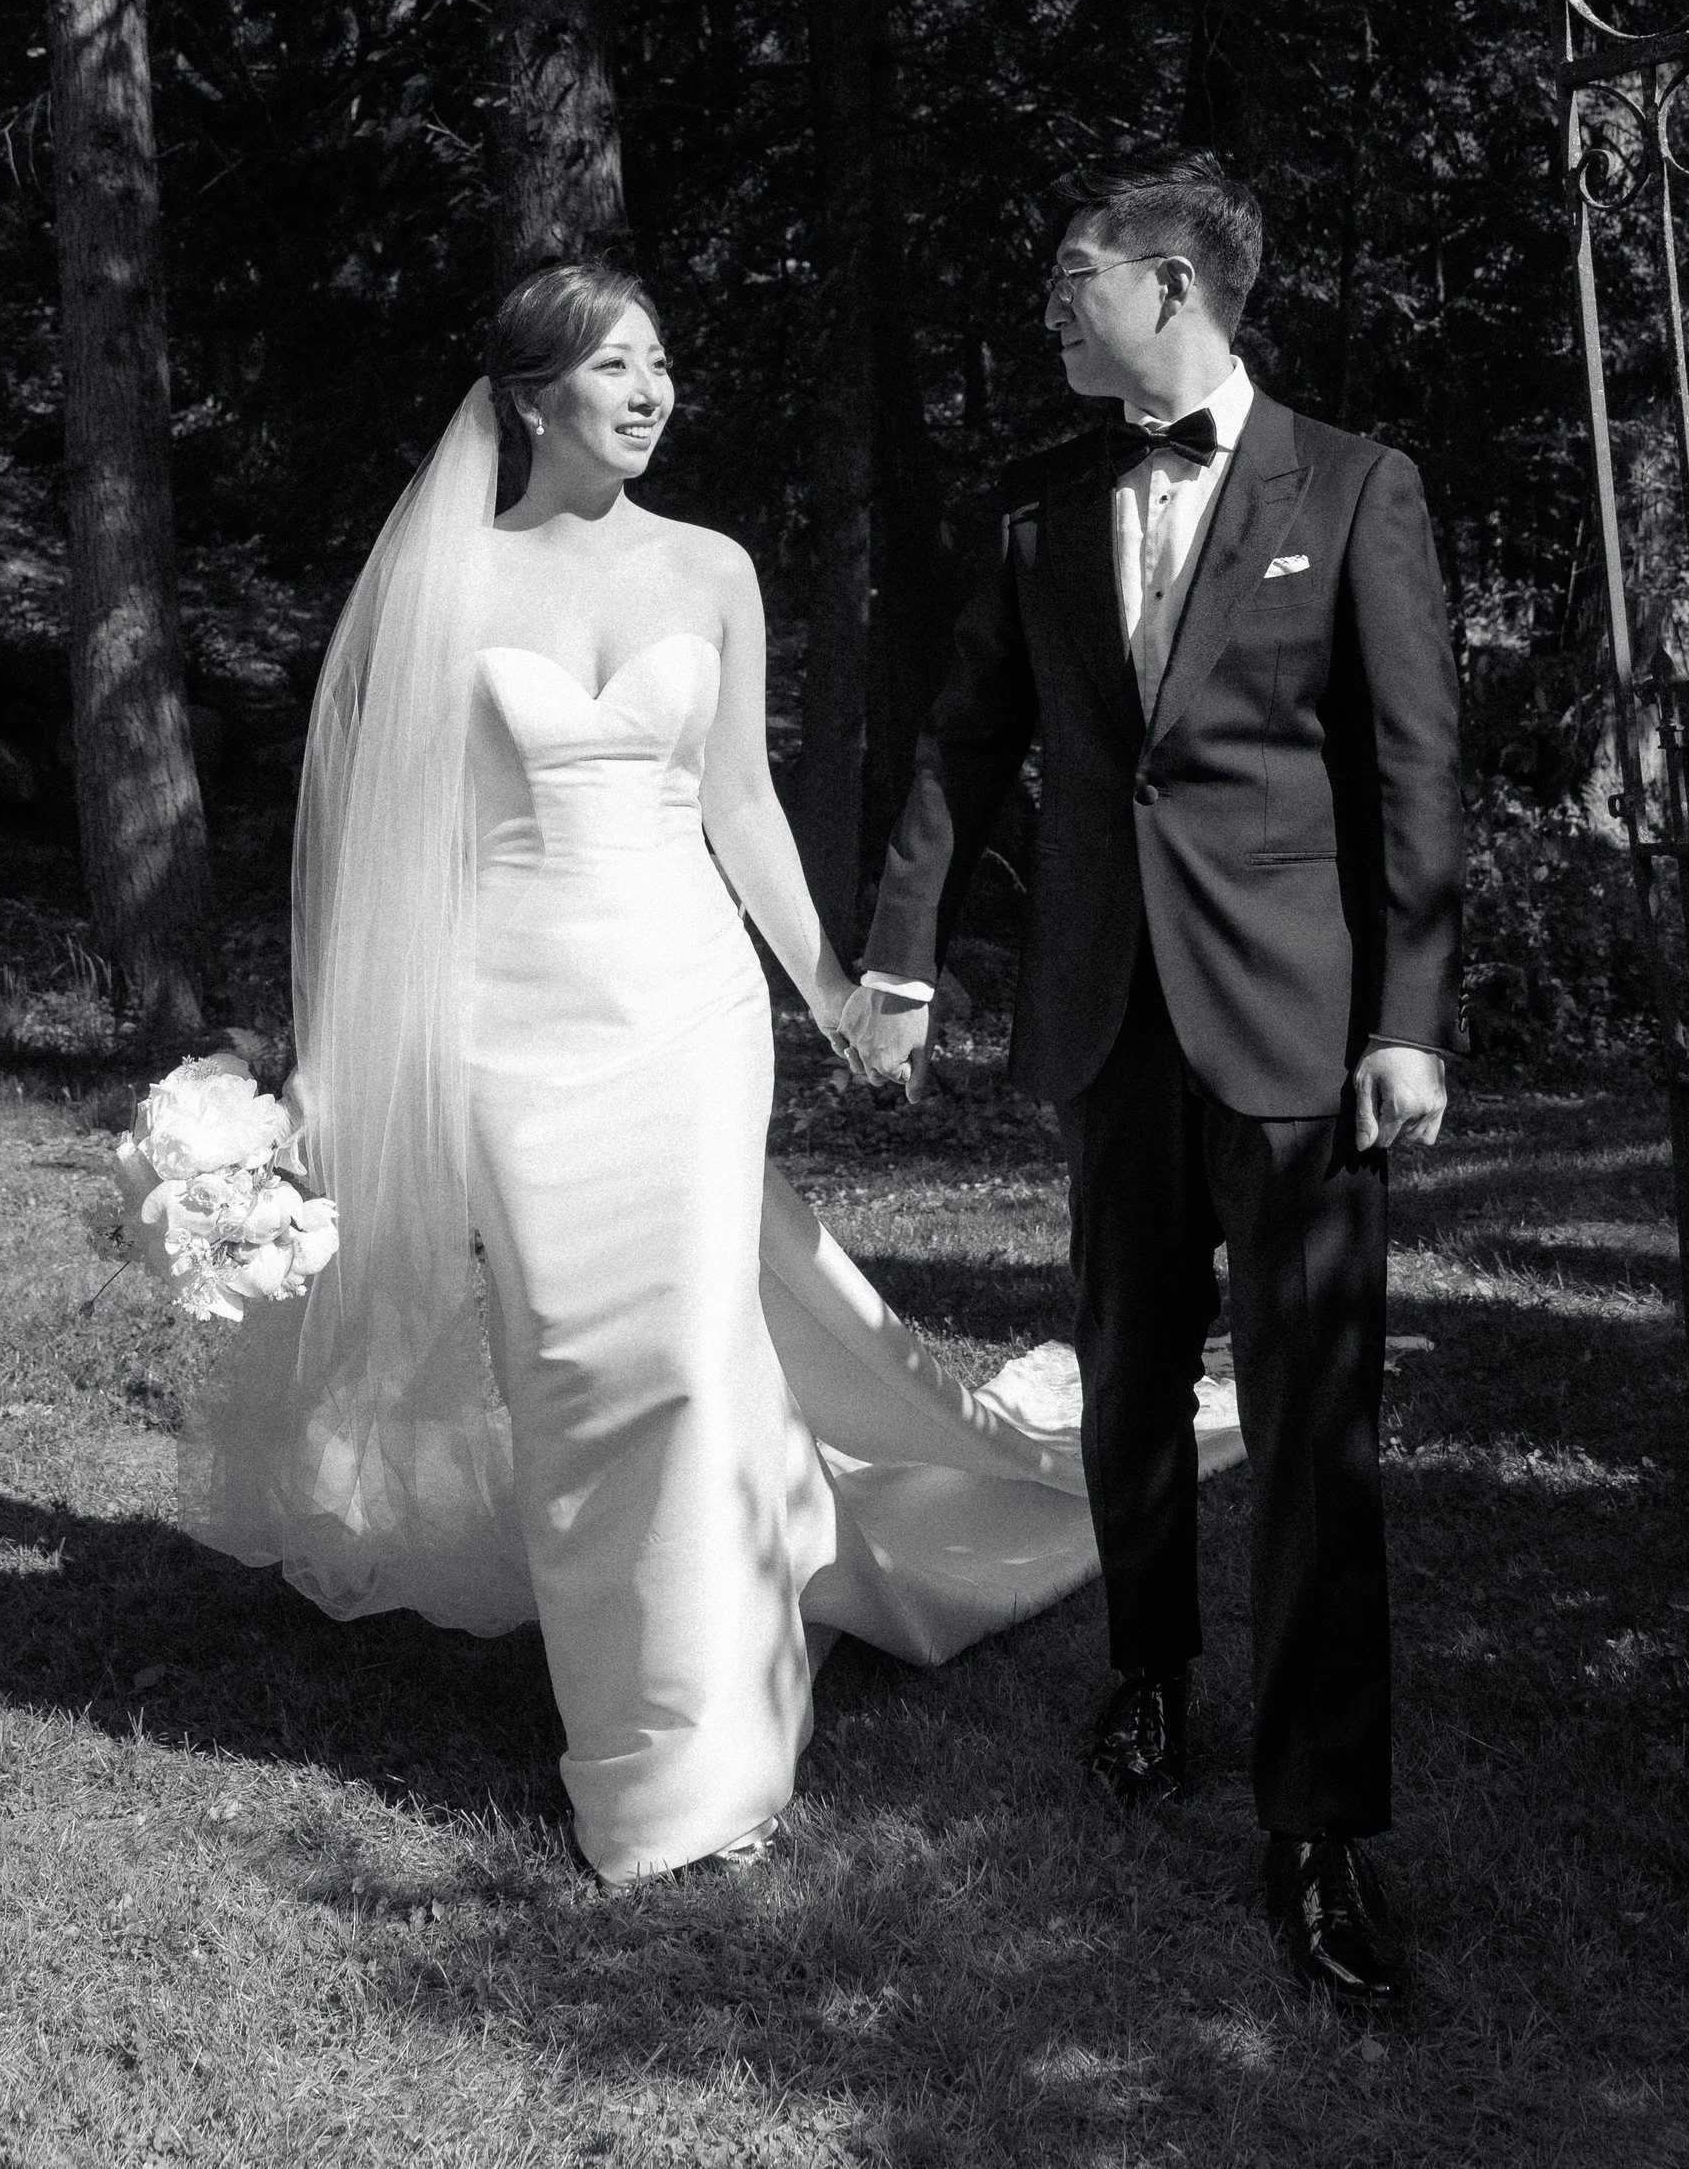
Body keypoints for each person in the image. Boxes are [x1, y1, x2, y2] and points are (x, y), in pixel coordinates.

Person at [184, 257, 1232, 1883]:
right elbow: (404, 855)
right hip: (510, 1027)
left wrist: (828, 979)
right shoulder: (443, 582)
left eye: (661, 361)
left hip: (682, 1010)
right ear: (533, 397)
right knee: (572, 1378)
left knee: (674, 1355)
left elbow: (739, 800)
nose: (653, 388)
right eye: (616, 365)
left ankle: (682, 1773)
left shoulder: (717, 570)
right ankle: (661, 1671)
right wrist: (339, 1071)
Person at [854, 152, 1462, 2012]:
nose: (1052, 301)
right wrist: (899, 946)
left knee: (1311, 1429)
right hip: (1107, 1019)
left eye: (1079, 274)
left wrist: (1410, 1015)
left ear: (1178, 288)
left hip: (1295, 1031)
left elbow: (1414, 770)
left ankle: (1317, 1824)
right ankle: (1144, 1677)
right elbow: (969, 738)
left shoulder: (1356, 485)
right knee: (1127, 1385)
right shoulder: (1042, 508)